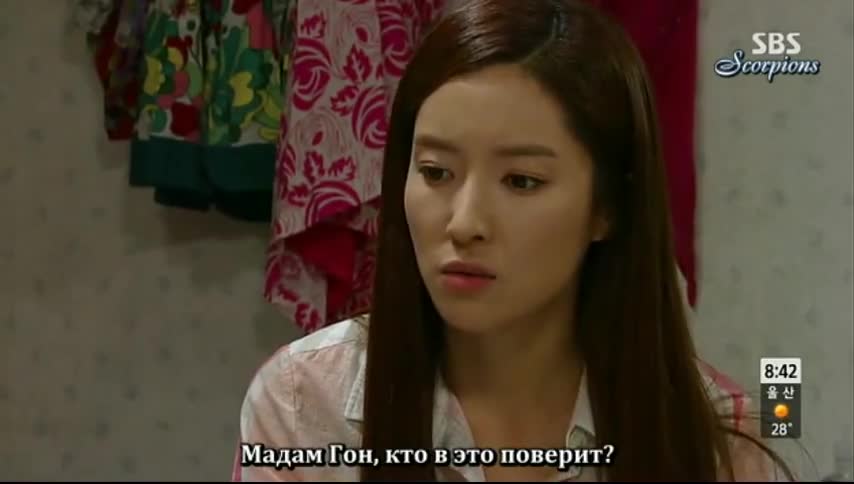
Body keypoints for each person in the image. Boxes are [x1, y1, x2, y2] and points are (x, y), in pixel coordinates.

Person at [233, 0, 796, 481]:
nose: (464, 223)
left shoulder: (716, 437)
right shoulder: (304, 401)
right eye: (435, 172)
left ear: (608, 207)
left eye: (521, 181)